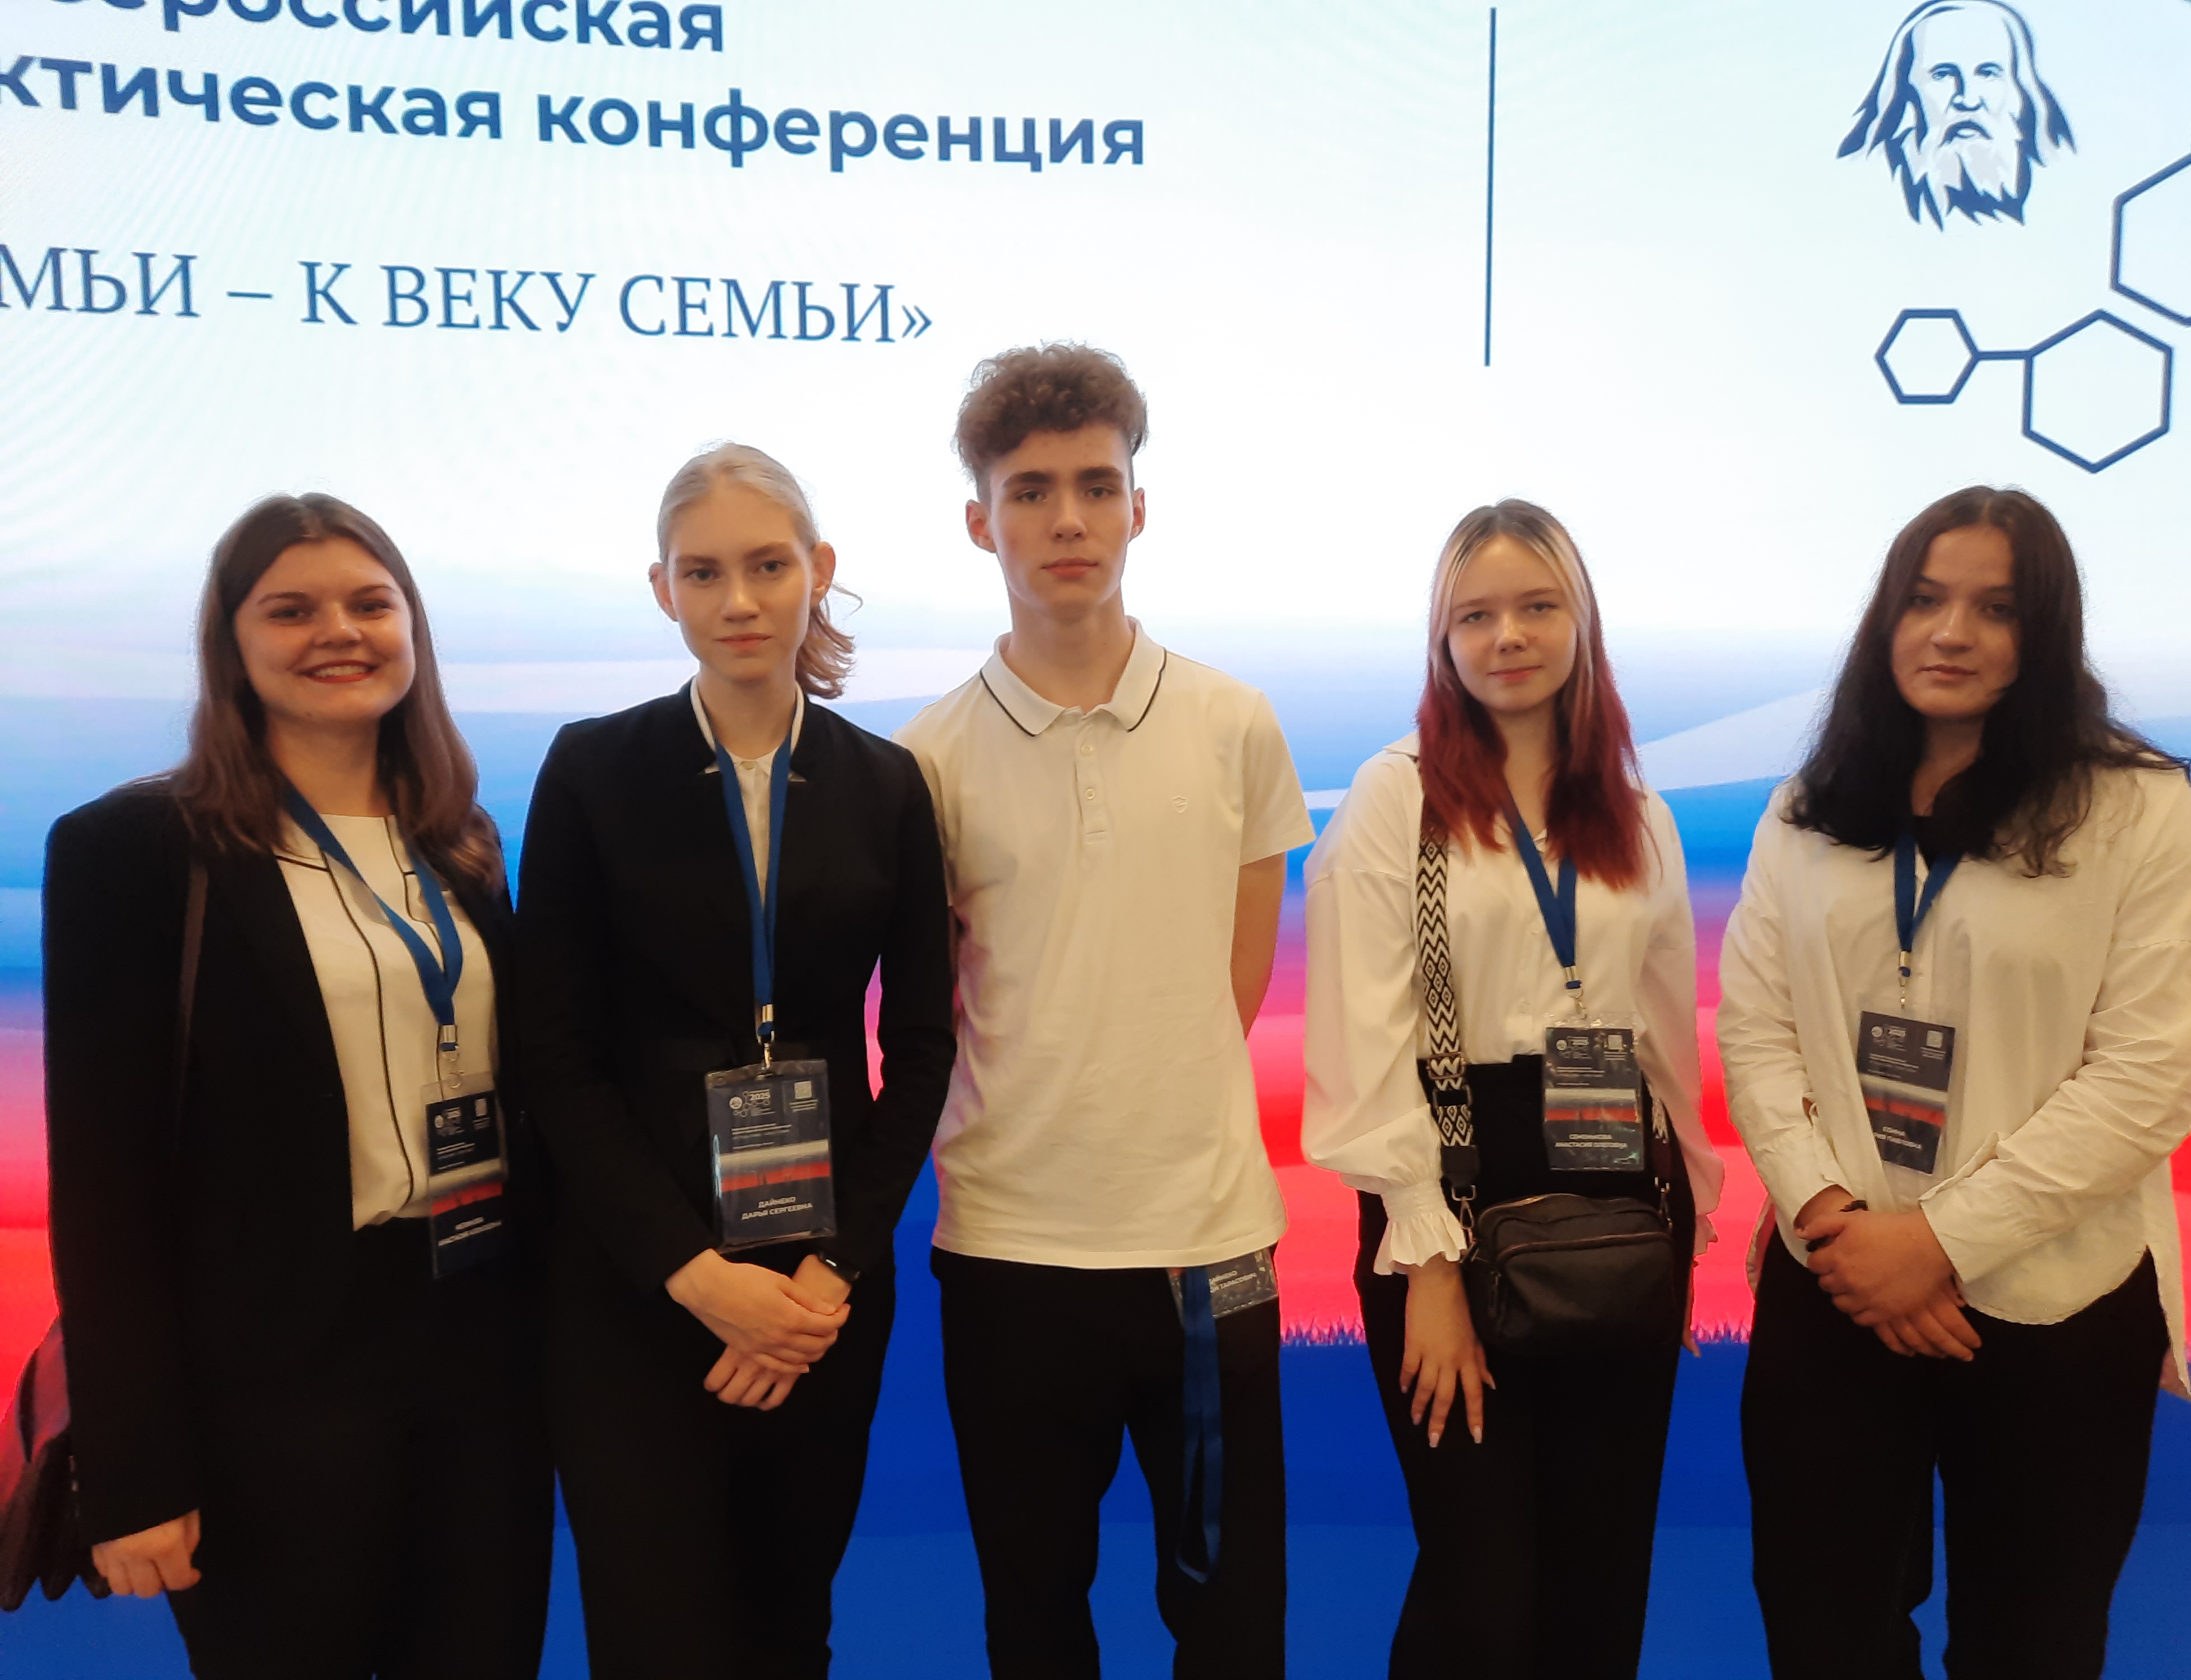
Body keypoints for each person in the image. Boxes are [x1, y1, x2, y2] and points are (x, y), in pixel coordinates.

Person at [1718, 487, 2191, 1680]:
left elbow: (2151, 1072)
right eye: (1924, 600)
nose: (1951, 633)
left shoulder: (2133, 806)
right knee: (1823, 1631)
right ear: (1883, 619)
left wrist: (1939, 1242)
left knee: (2031, 1643)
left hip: (2053, 1297)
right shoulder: (1808, 808)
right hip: (1832, 1279)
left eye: (1995, 609)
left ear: (2044, 631)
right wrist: (1834, 1220)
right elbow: (1755, 1030)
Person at [42, 494, 553, 1674]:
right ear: (231, 641)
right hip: (265, 1389)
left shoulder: (461, 841)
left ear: (413, 631)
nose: (339, 632)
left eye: (372, 604)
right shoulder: (135, 851)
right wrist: (135, 1472)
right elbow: (105, 1188)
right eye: (291, 610)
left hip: (476, 1359)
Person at [893, 344, 1314, 1679]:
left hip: (1204, 1246)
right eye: (1028, 491)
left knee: (1232, 1621)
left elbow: (1231, 986)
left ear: (1139, 505)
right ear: (981, 522)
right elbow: (927, 1012)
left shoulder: (1234, 722)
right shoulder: (923, 759)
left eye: (1093, 485)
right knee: (1032, 1617)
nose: (1065, 519)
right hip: (1009, 1249)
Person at [515, 444, 954, 1676]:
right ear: (663, 589)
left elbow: (921, 1047)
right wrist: (693, 1275)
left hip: (819, 1290)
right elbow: (553, 1055)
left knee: (788, 1627)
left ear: (819, 571)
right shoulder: (591, 770)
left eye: (768, 566)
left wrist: (829, 1275)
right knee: (654, 1635)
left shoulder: (887, 784)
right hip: (634, 1287)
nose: (740, 600)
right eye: (703, 573)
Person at [1301, 500, 1722, 1678]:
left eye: (1537, 607)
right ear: (1440, 640)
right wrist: (1427, 1267)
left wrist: (1687, 1226)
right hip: (1450, 1194)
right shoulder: (1397, 797)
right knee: (1480, 1598)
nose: (1508, 637)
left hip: (1622, 1198)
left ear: (1581, 621)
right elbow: (1361, 1040)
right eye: (1474, 615)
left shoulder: (1639, 813)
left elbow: (1662, 1038)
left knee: (1598, 1585)